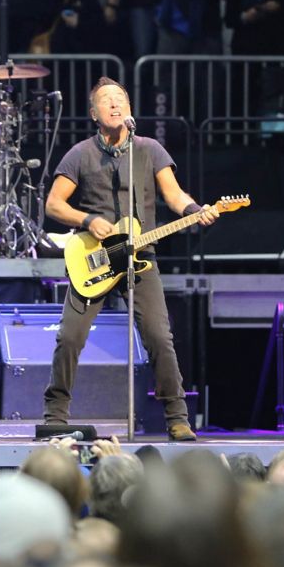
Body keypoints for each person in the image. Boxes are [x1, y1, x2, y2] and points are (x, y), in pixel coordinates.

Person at [43, 77, 216, 442]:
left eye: (120, 99)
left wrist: (197, 210)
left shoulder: (149, 149)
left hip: (141, 257)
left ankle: (177, 417)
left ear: (130, 110)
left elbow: (174, 195)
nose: (115, 104)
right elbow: (54, 204)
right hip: (95, 257)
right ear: (94, 113)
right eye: (106, 100)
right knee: (70, 336)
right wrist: (89, 220)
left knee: (158, 335)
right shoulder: (80, 154)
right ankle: (55, 415)